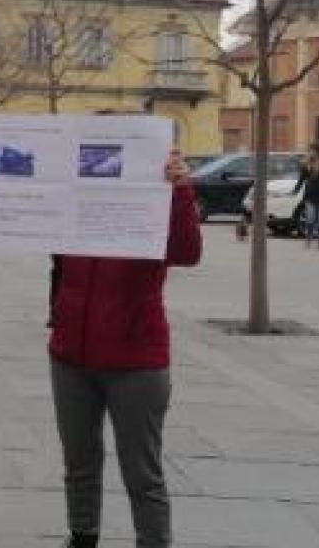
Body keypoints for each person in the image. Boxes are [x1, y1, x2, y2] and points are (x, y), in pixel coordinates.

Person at [46, 150, 201, 548]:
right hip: (70, 356)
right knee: (78, 463)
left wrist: (181, 191)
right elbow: (19, 222)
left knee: (141, 473)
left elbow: (187, 252)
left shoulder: (154, 200)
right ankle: (82, 538)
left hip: (136, 360)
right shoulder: (70, 203)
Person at [293, 143, 319, 250]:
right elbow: (301, 179)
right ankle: (308, 241)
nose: (309, 152)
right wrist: (295, 190)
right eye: (309, 151)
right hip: (310, 196)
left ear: (318, 152)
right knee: (310, 219)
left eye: (311, 150)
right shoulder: (307, 165)